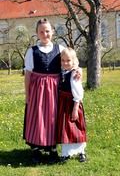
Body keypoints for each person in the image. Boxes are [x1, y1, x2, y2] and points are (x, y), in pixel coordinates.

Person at [23, 18, 81, 164]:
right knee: (38, 116)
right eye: (41, 31)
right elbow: (28, 74)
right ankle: (36, 149)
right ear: (37, 33)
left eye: (47, 31)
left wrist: (78, 69)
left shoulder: (60, 49)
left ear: (52, 32)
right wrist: (27, 95)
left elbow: (72, 61)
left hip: (55, 89)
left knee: (54, 116)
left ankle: (52, 148)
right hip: (37, 89)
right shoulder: (32, 51)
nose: (45, 34)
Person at [57, 47, 87, 163]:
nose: (65, 63)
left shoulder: (74, 74)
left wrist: (75, 109)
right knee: (65, 128)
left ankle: (81, 152)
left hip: (72, 103)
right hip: (63, 104)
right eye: (63, 60)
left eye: (68, 60)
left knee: (76, 127)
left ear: (74, 61)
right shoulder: (62, 72)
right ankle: (66, 153)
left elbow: (78, 92)